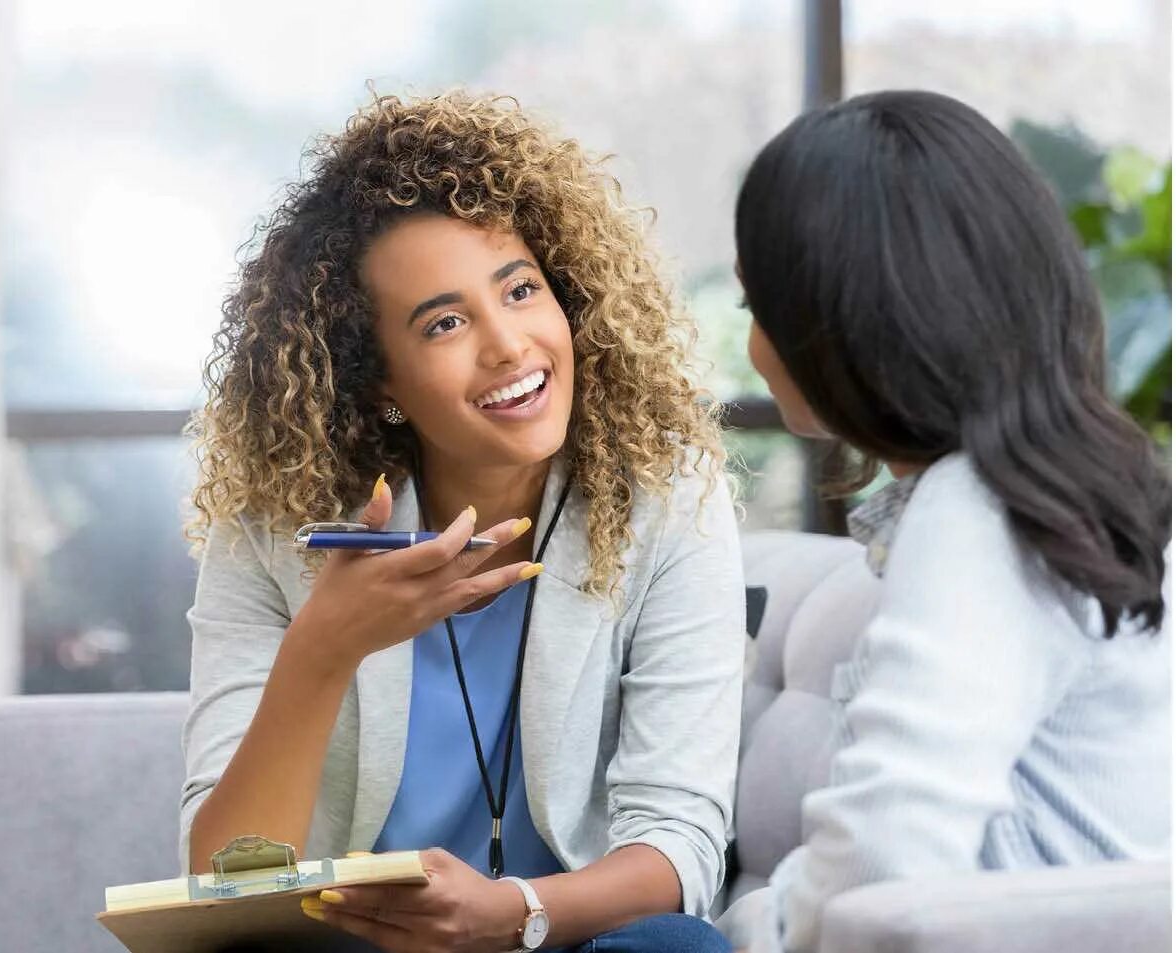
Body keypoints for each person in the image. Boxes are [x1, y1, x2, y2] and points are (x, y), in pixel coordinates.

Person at [179, 91, 745, 953]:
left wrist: (514, 909)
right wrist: (322, 648)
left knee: (680, 948)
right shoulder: (274, 530)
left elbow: (681, 843)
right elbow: (222, 888)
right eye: (444, 322)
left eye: (520, 290)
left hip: (562, 936)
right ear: (380, 385)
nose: (510, 344)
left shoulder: (667, 500)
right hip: (358, 945)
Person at [718, 89, 1171, 953]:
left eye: (756, 309)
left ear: (842, 325)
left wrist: (741, 924)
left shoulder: (976, 515)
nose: (755, 346)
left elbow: (881, 867)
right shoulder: (1054, 491)